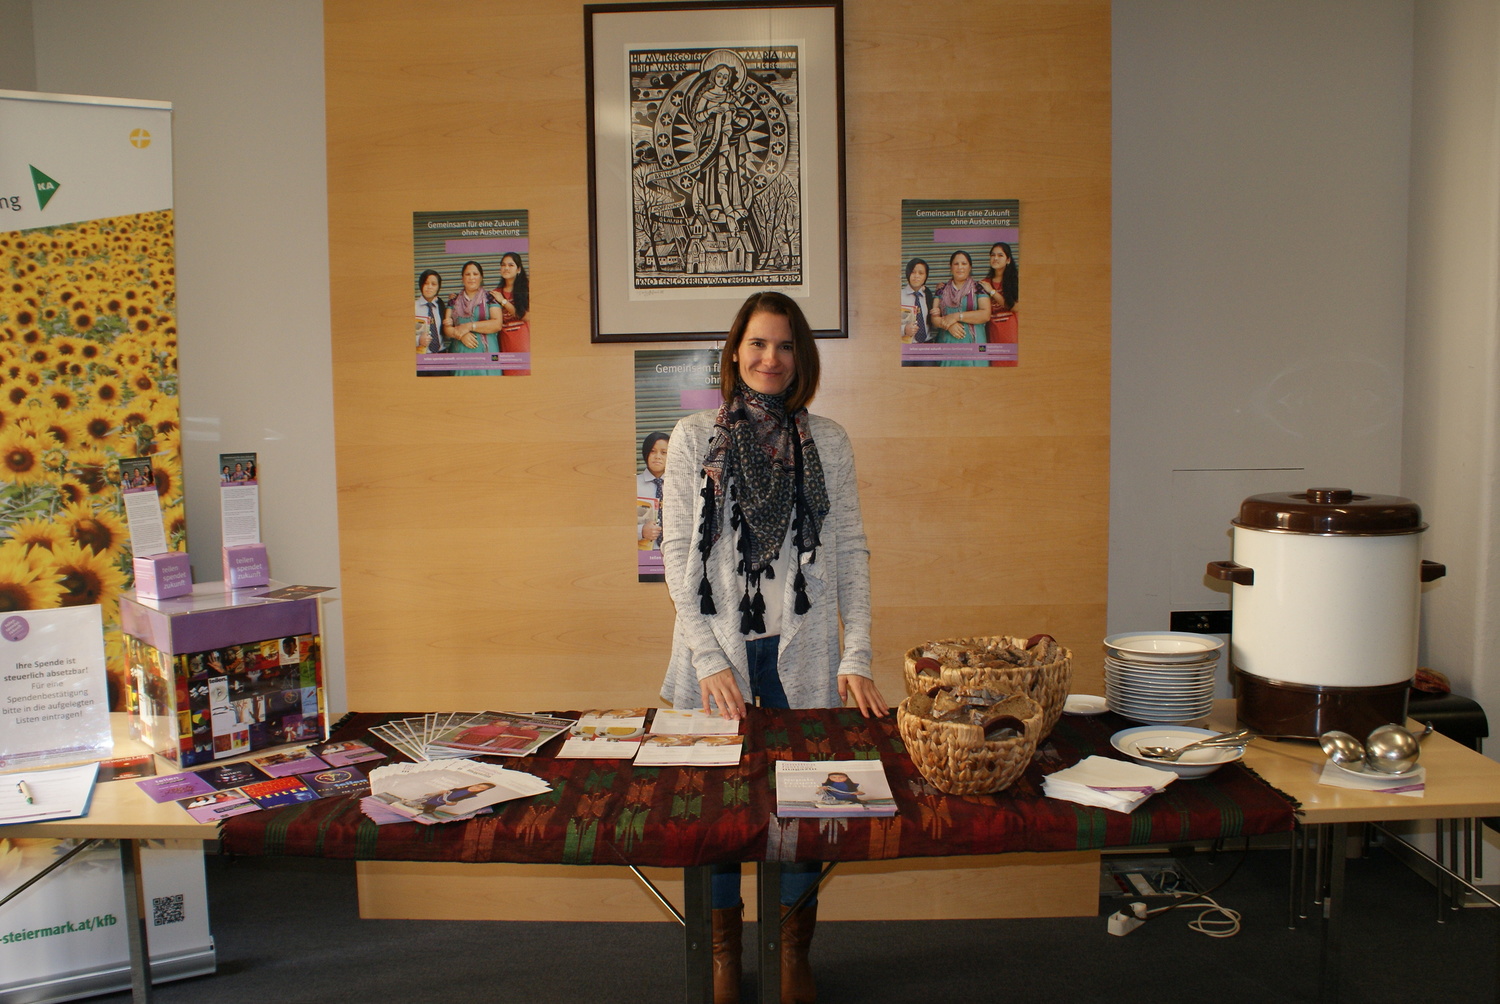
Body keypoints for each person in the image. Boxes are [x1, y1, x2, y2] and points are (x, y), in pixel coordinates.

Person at [659, 290, 887, 1004]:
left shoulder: (828, 442)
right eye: (758, 343)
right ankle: (724, 956)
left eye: (785, 346)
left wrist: (857, 653)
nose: (771, 358)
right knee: (715, 811)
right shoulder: (694, 437)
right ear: (735, 351)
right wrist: (708, 659)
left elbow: (849, 548)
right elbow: (677, 555)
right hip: (717, 654)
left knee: (806, 806)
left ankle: (791, 950)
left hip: (801, 651)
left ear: (801, 357)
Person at [928, 249, 991, 368]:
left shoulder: (978, 288)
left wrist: (956, 316)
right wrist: (949, 325)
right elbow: (934, 319)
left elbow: (985, 315)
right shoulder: (941, 290)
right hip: (947, 345)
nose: (960, 267)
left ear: (970, 267)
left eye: (964, 264)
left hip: (974, 345)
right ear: (951, 267)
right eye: (956, 264)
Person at [443, 260, 504, 376]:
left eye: (475, 274)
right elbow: (446, 329)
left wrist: (469, 326)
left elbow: (497, 324)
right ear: (462, 278)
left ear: (481, 277)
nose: (471, 277)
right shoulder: (453, 301)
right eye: (467, 274)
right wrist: (461, 335)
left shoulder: (490, 298)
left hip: (487, 355)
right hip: (460, 355)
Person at [979, 241, 1019, 368]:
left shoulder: (1015, 281)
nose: (995, 258)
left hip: (1011, 332)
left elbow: (1016, 307)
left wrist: (992, 292)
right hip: (992, 333)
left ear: (1008, 260)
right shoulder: (984, 283)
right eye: (993, 255)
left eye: (1000, 255)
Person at [493, 252, 531, 376]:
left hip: (522, 341)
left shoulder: (527, 288)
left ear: (518, 269)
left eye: (511, 265)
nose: (506, 268)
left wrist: (504, 302)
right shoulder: (496, 292)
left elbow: (527, 316)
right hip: (504, 342)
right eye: (503, 265)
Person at [900, 257, 938, 367]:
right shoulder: (899, 296)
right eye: (913, 272)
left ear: (926, 276)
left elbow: (933, 323)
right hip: (904, 347)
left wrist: (937, 314)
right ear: (908, 273)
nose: (916, 276)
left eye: (921, 273)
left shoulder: (928, 295)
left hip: (926, 348)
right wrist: (904, 329)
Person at [414, 269, 452, 377]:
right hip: (421, 357)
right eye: (426, 283)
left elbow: (445, 332)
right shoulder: (413, 307)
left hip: (441, 356)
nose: (429, 287)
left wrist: (449, 323)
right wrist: (418, 340)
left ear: (438, 287)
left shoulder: (440, 305)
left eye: (433, 284)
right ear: (421, 285)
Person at [636, 431, 670, 550]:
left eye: (664, 452)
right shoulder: (632, 485)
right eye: (652, 451)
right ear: (646, 454)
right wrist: (640, 531)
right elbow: (617, 525)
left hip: (673, 553)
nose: (657, 456)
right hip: (641, 554)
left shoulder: (678, 486)